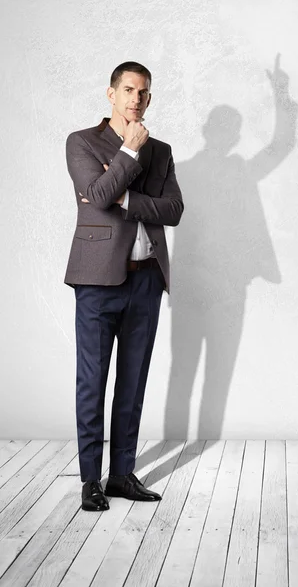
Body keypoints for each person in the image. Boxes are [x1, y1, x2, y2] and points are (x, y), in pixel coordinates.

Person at [64, 61, 184, 511]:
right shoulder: (82, 142)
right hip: (96, 281)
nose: (136, 99)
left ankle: (121, 474)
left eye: (144, 93)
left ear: (149, 99)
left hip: (147, 279)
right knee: (92, 381)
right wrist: (129, 152)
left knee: (132, 383)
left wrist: (126, 197)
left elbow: (173, 210)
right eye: (128, 90)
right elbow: (96, 197)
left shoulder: (163, 150)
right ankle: (91, 480)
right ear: (111, 93)